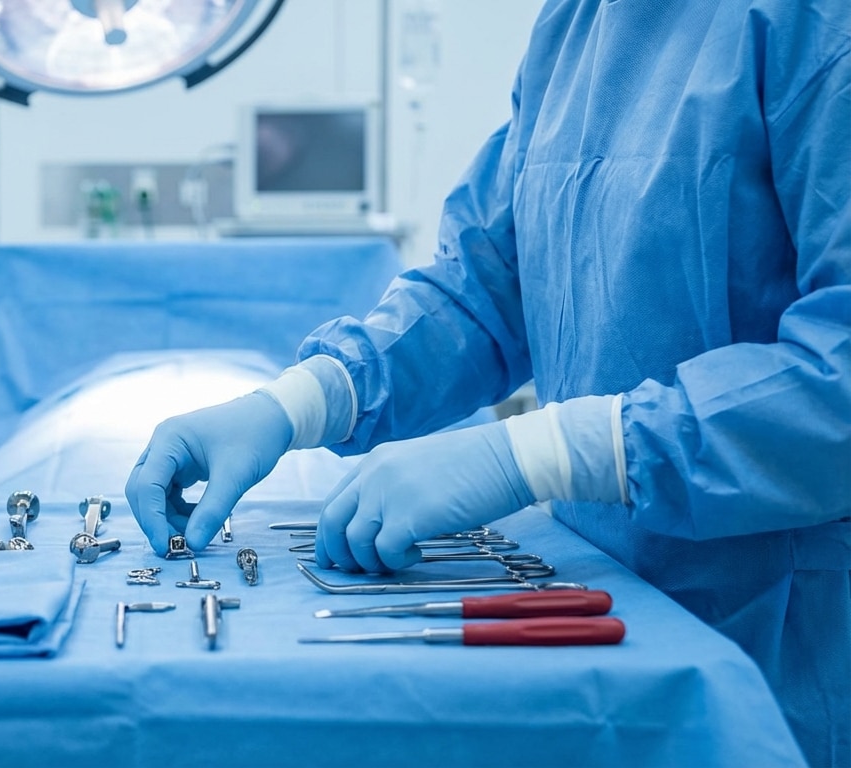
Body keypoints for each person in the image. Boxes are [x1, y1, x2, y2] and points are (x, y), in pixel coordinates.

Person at [124, 1, 851, 765]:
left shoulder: (810, 22)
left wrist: (543, 453)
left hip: (779, 629)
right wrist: (301, 401)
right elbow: (488, 286)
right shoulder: (576, 26)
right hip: (598, 595)